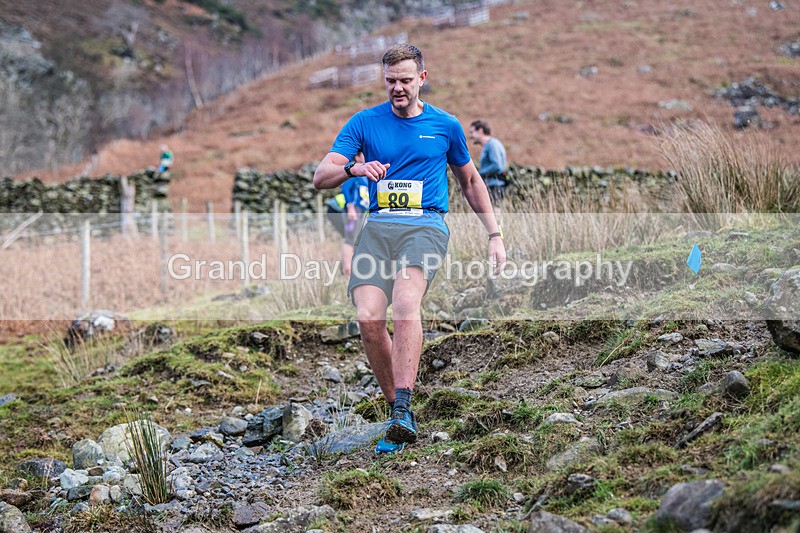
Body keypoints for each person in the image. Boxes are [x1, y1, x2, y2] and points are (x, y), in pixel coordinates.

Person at [313, 44, 506, 454]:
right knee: (368, 318)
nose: (397, 88)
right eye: (390, 81)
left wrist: (494, 234)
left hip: (425, 226)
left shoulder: (445, 125)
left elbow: (471, 181)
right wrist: (354, 168)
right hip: (378, 227)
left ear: (422, 78)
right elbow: (321, 176)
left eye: (404, 80)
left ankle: (403, 405)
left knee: (404, 303)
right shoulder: (364, 122)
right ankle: (398, 414)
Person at [468, 120, 508, 204]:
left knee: (496, 210)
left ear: (480, 131)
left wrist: (478, 174)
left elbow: (496, 165)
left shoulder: (492, 144)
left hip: (495, 186)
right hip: (492, 185)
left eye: (472, 132)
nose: (470, 136)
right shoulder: (489, 145)